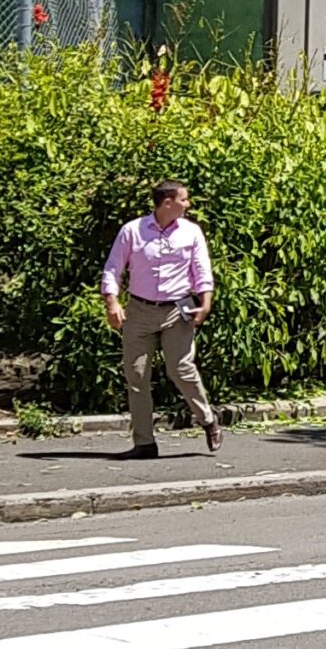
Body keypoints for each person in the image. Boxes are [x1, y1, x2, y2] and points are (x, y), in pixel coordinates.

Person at [100, 181, 220, 456]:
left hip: (178, 309)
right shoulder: (133, 231)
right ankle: (144, 443)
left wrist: (205, 304)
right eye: (184, 199)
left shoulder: (191, 232)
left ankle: (208, 420)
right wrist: (112, 302)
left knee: (180, 369)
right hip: (140, 310)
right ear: (167, 202)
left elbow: (202, 269)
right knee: (137, 375)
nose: (188, 204)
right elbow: (112, 268)